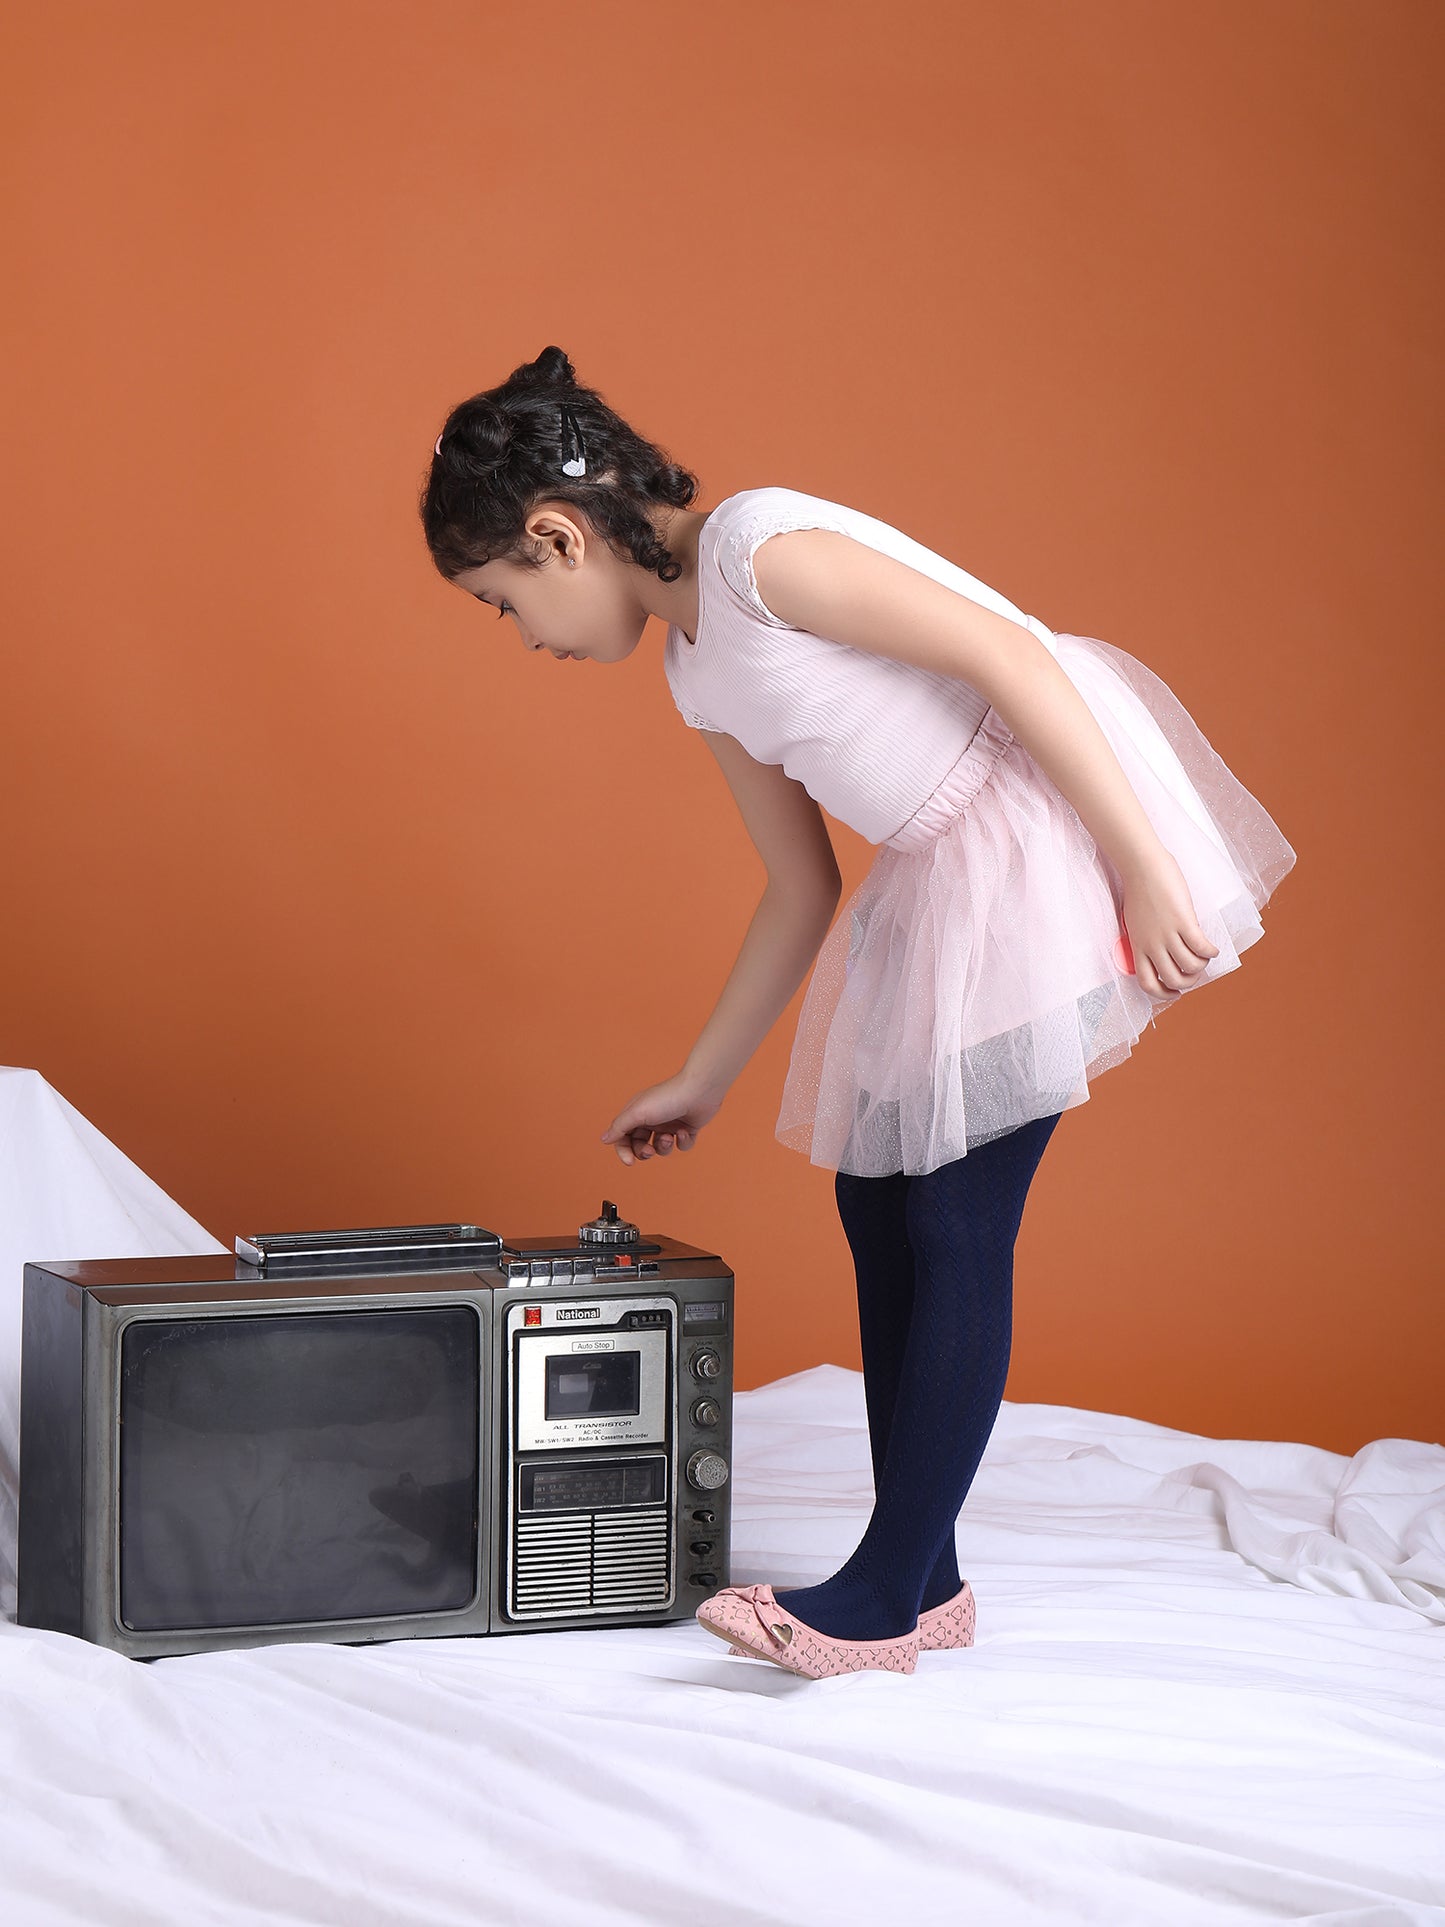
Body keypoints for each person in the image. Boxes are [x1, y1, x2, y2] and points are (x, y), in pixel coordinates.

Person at [420, 344, 1297, 1681]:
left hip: (1043, 833)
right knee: (874, 1199)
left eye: (503, 602)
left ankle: (885, 1590)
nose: (526, 635)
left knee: (953, 1213)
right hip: (937, 875)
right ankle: (925, 1576)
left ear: (555, 536)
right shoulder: (692, 668)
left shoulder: (764, 549)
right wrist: (703, 1077)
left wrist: (1141, 867)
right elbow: (797, 884)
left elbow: (1007, 654)